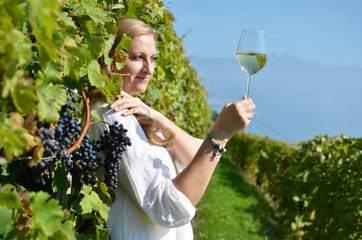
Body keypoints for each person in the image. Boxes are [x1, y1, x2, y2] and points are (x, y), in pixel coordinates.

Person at [87, 17, 256, 240]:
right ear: (110, 59)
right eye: (138, 57)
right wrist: (220, 135)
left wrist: (156, 116)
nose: (149, 69)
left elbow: (192, 157)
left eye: (153, 58)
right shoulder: (116, 116)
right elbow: (168, 208)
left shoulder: (133, 111)